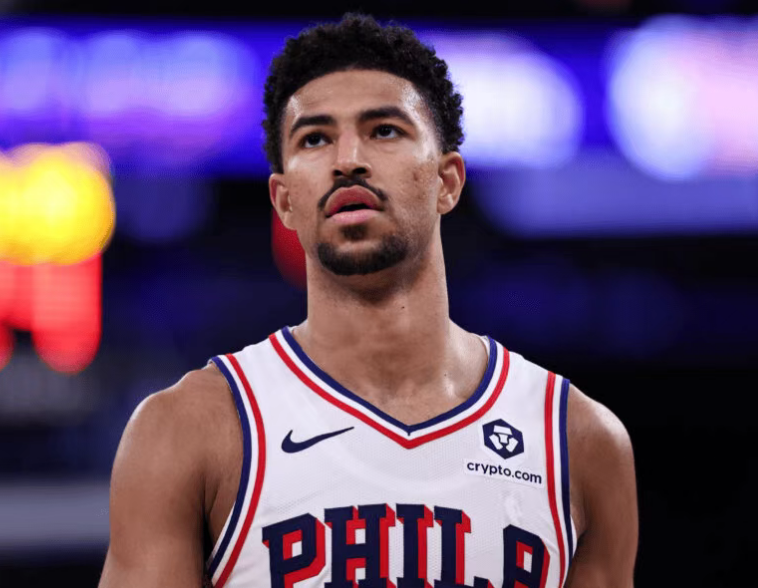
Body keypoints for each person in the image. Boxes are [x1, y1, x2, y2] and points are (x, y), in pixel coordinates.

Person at [98, 14, 638, 588]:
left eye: (384, 130)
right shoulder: (189, 429)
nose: (347, 159)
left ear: (448, 181)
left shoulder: (577, 439)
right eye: (315, 138)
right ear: (283, 200)